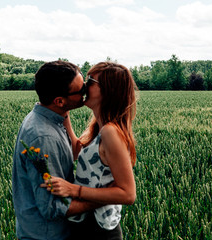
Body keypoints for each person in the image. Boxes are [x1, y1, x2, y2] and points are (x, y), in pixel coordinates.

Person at [41, 61, 137, 239]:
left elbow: (128, 194)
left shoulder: (110, 132)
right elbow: (77, 151)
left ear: (108, 91)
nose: (85, 86)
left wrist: (73, 190)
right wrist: (64, 109)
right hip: (87, 225)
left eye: (91, 81)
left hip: (99, 230)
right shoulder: (100, 128)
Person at [12, 60, 100, 240]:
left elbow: (74, 151)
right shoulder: (44, 138)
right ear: (59, 101)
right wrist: (102, 199)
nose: (85, 91)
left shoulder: (50, 117)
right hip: (47, 235)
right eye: (81, 90)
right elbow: (52, 207)